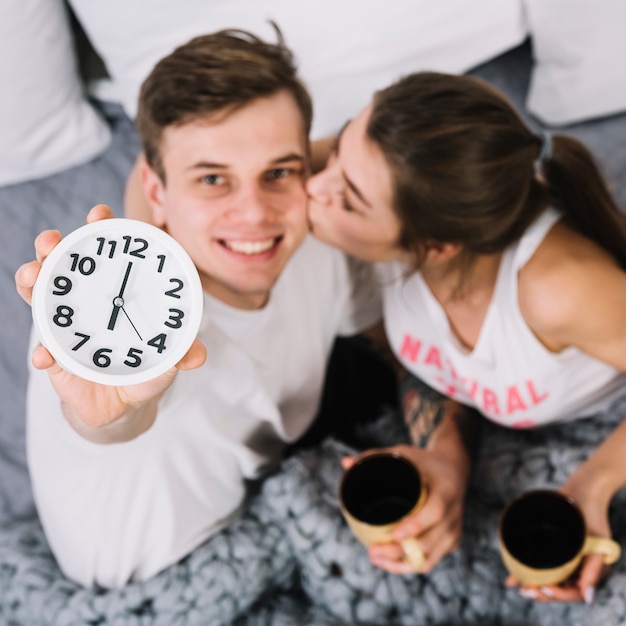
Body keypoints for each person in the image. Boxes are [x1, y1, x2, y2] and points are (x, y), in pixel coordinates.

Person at [14, 27, 390, 593]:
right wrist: (108, 409)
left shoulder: (318, 241)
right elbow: (116, 417)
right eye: (213, 179)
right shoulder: (105, 318)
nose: (254, 214)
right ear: (158, 192)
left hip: (274, 510)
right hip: (160, 588)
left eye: (279, 172)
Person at [302, 69, 626, 613]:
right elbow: (429, 367)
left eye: (349, 196)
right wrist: (445, 455)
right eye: (337, 150)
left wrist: (594, 485)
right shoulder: (374, 226)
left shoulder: (555, 287)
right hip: (501, 435)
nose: (314, 186)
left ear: (438, 245)